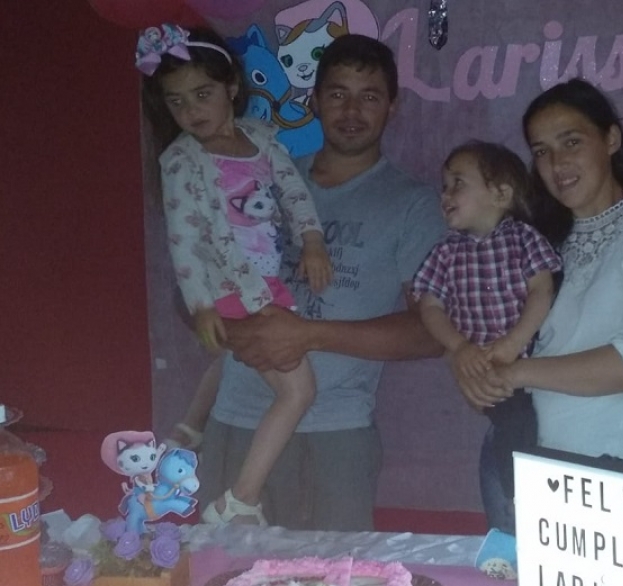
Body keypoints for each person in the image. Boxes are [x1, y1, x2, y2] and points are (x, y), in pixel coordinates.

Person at [198, 34, 446, 531]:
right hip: (234, 420)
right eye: (337, 94)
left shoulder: (414, 205)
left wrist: (308, 335)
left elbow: (432, 332)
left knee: (327, 579)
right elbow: (191, 283)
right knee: (222, 571)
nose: (352, 111)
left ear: (393, 106)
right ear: (314, 100)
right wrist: (235, 331)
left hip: (333, 433)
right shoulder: (264, 181)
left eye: (369, 96)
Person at [459, 79, 623, 533]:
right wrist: (471, 367)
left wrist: (513, 373)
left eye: (571, 142)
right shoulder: (536, 237)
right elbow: (483, 325)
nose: (556, 163)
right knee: (506, 582)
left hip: (606, 479)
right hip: (512, 458)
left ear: (611, 139)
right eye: (541, 151)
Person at [138, 24, 333, 526]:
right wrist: (202, 304)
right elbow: (182, 238)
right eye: (177, 102)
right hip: (231, 287)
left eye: (202, 94)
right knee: (298, 390)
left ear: (231, 87)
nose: (191, 111)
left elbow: (294, 193)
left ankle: (190, 427)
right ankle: (240, 500)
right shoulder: (181, 160)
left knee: (237, 357)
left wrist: (312, 239)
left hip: (265, 281)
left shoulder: (262, 140)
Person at [410, 140, 561, 504]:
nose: (445, 194)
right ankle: (520, 496)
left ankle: (530, 493)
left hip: (531, 359)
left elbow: (542, 290)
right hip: (484, 367)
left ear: (501, 194)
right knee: (511, 418)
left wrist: (513, 343)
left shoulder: (523, 238)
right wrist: (459, 347)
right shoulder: (446, 251)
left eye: (458, 183)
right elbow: (429, 306)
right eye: (445, 186)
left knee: (533, 422)